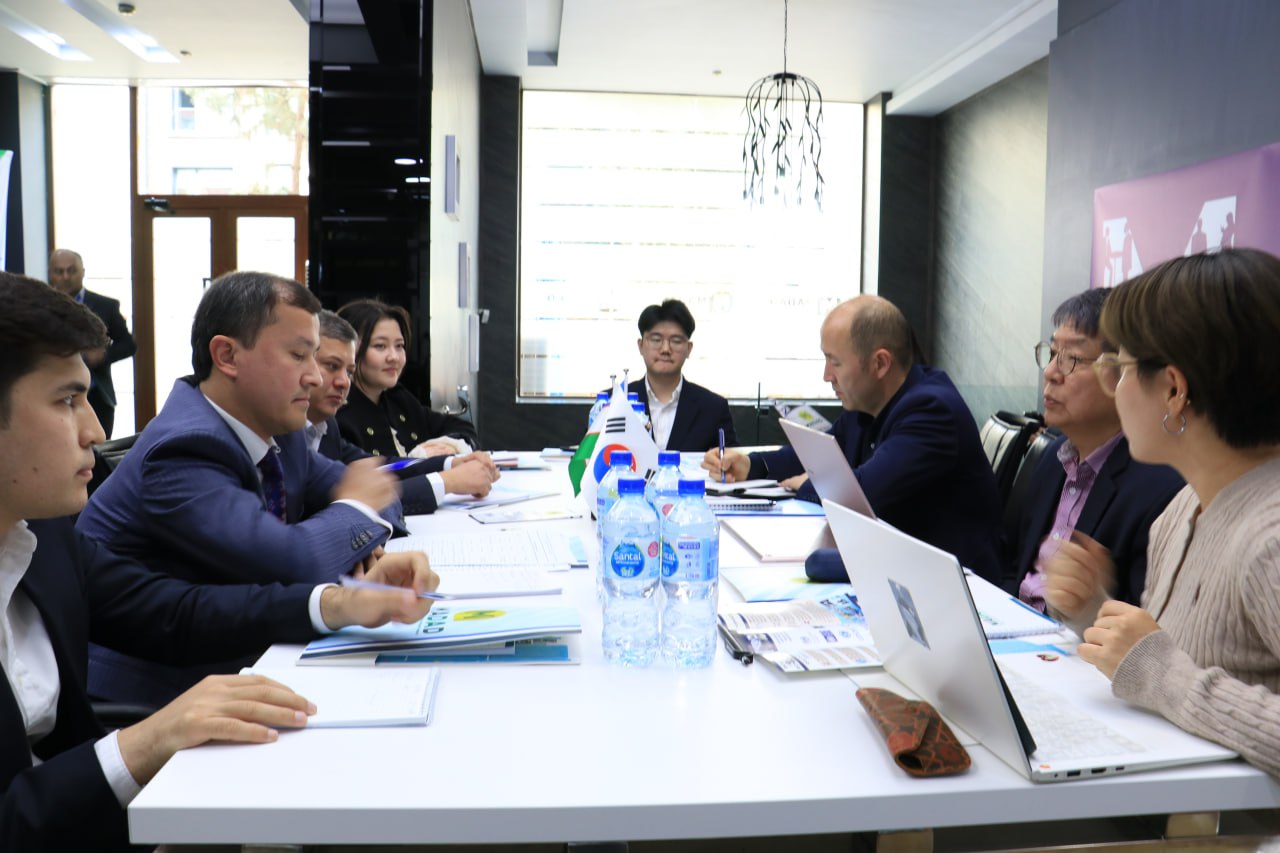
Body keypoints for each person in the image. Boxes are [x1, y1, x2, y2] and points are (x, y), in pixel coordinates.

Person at [0, 271, 439, 851]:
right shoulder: (183, 447)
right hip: (121, 746)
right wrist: (146, 741)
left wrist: (337, 603)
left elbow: (174, 611)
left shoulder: (43, 533)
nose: (96, 430)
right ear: (227, 356)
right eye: (66, 400)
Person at [77, 271, 405, 705]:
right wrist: (356, 515)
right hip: (159, 692)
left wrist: (354, 541)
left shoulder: (282, 429)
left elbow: (380, 491)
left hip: (253, 654)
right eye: (298, 356)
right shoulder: (183, 448)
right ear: (227, 355)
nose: (314, 377)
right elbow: (295, 562)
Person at [1045, 248, 1280, 776]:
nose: (1115, 390)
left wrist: (1158, 673)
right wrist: (1096, 614)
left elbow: (1166, 672)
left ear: (1174, 390)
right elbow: (1176, 657)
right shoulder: (1183, 507)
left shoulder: (1270, 537)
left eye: (1121, 370)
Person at [704, 295, 1003, 582]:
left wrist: (807, 483)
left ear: (880, 363)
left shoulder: (932, 411)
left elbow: (858, 496)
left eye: (835, 362)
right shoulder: (868, 403)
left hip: (958, 586)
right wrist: (752, 465)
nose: (826, 375)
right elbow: (816, 454)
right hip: (896, 566)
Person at [1005, 288, 1183, 610]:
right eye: (1052, 354)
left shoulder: (1160, 488)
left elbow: (1144, 622)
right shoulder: (1052, 458)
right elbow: (1013, 568)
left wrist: (1090, 599)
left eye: (1072, 359)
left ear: (1123, 373)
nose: (1051, 372)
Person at [308, 310, 498, 514]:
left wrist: (451, 462)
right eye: (380, 346)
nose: (344, 382)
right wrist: (447, 481)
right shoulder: (334, 416)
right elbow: (353, 498)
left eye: (349, 372)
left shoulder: (394, 398)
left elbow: (382, 467)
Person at [336, 298, 480, 457]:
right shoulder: (337, 409)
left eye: (399, 346)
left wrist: (448, 446)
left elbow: (461, 428)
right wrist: (418, 458)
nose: (394, 357)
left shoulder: (397, 398)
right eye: (380, 346)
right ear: (349, 350)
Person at [48, 249, 137, 439]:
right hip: (53, 395)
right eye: (59, 271)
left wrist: (104, 355)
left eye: (72, 270)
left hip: (97, 395)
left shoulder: (106, 306)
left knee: (98, 451)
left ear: (83, 272)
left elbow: (128, 344)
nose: (65, 277)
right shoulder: (40, 308)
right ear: (50, 273)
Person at [628, 298, 736, 452]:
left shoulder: (714, 409)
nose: (665, 349)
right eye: (656, 340)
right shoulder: (613, 402)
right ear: (640, 346)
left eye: (676, 341)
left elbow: (731, 462)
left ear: (689, 349)